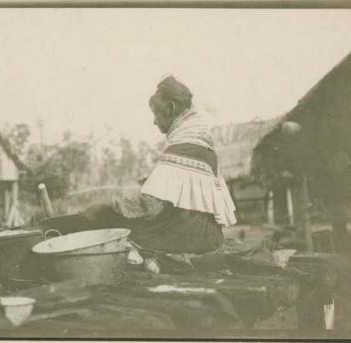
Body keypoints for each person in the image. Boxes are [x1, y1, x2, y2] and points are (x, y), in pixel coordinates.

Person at [72, 75, 237, 253]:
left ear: (171, 108)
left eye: (156, 114)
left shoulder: (184, 146)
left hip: (191, 237)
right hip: (209, 236)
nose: (154, 121)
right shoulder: (200, 143)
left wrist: (105, 207)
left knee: (114, 225)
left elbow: (151, 205)